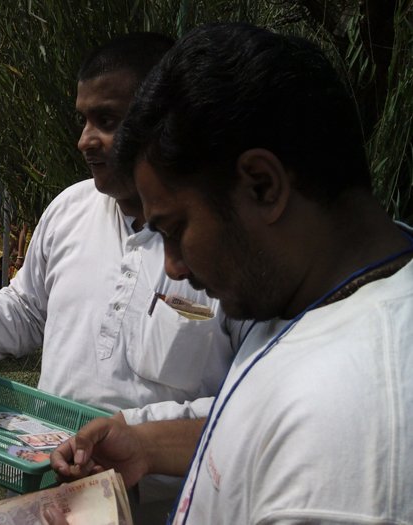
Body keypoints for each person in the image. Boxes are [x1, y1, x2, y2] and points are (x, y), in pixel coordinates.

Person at [49, 23, 413, 524]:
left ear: (262, 185)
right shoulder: (309, 297)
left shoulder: (352, 430)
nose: (173, 265)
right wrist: (147, 443)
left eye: (175, 229)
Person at [0, 33, 238, 522]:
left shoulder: (227, 244)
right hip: (57, 487)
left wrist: (137, 439)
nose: (85, 139)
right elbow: (28, 308)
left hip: (174, 506)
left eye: (108, 120)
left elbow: (251, 403)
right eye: (83, 120)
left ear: (165, 123)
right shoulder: (70, 208)